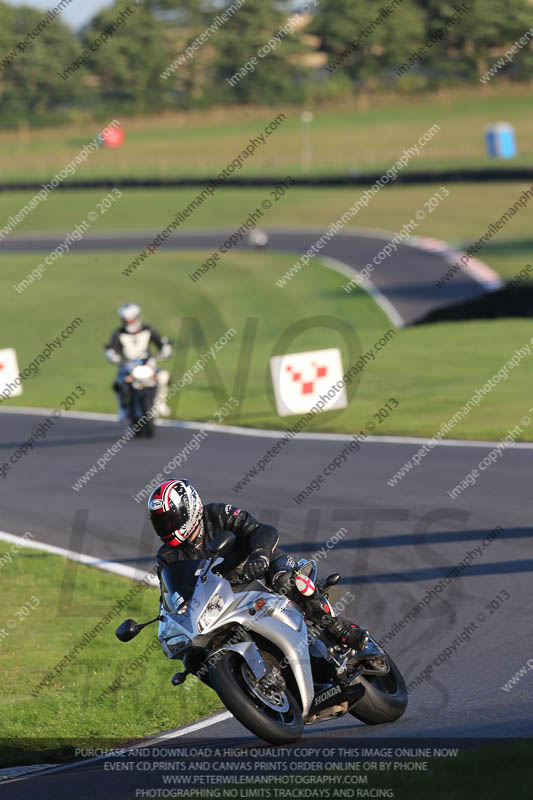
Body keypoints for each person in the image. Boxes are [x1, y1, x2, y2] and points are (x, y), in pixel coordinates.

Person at [148, 478, 366, 651]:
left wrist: (260, 555)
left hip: (262, 566)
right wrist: (178, 610)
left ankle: (340, 628)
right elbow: (170, 594)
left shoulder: (217, 514)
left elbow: (262, 530)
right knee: (196, 648)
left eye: (169, 519)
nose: (165, 527)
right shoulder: (166, 557)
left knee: (285, 580)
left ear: (189, 509)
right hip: (226, 597)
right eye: (159, 523)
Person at [105, 303, 172, 421]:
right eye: (127, 319)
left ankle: (160, 402)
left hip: (147, 363)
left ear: (137, 316)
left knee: (163, 377)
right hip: (127, 365)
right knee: (119, 383)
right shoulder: (119, 333)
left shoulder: (148, 330)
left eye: (131, 318)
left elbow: (161, 343)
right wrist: (112, 356)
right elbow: (112, 348)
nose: (129, 321)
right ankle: (122, 408)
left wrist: (165, 350)